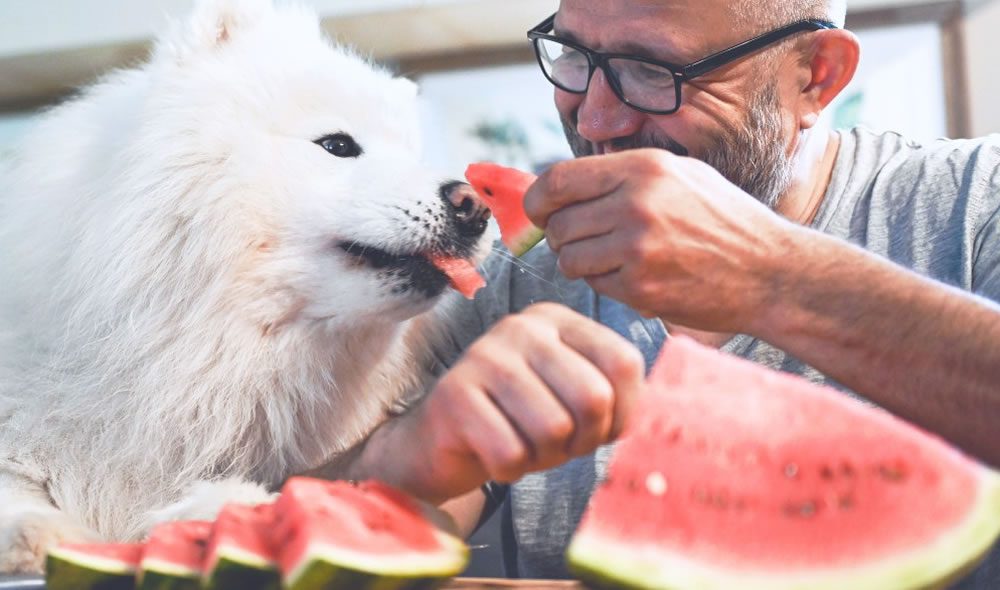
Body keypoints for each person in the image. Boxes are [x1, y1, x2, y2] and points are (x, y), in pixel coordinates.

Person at [311, 0, 1000, 585]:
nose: (595, 122)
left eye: (653, 70)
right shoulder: (515, 279)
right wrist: (408, 452)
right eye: (574, 56)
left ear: (816, 76)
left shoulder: (977, 201)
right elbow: (337, 537)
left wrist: (771, 277)